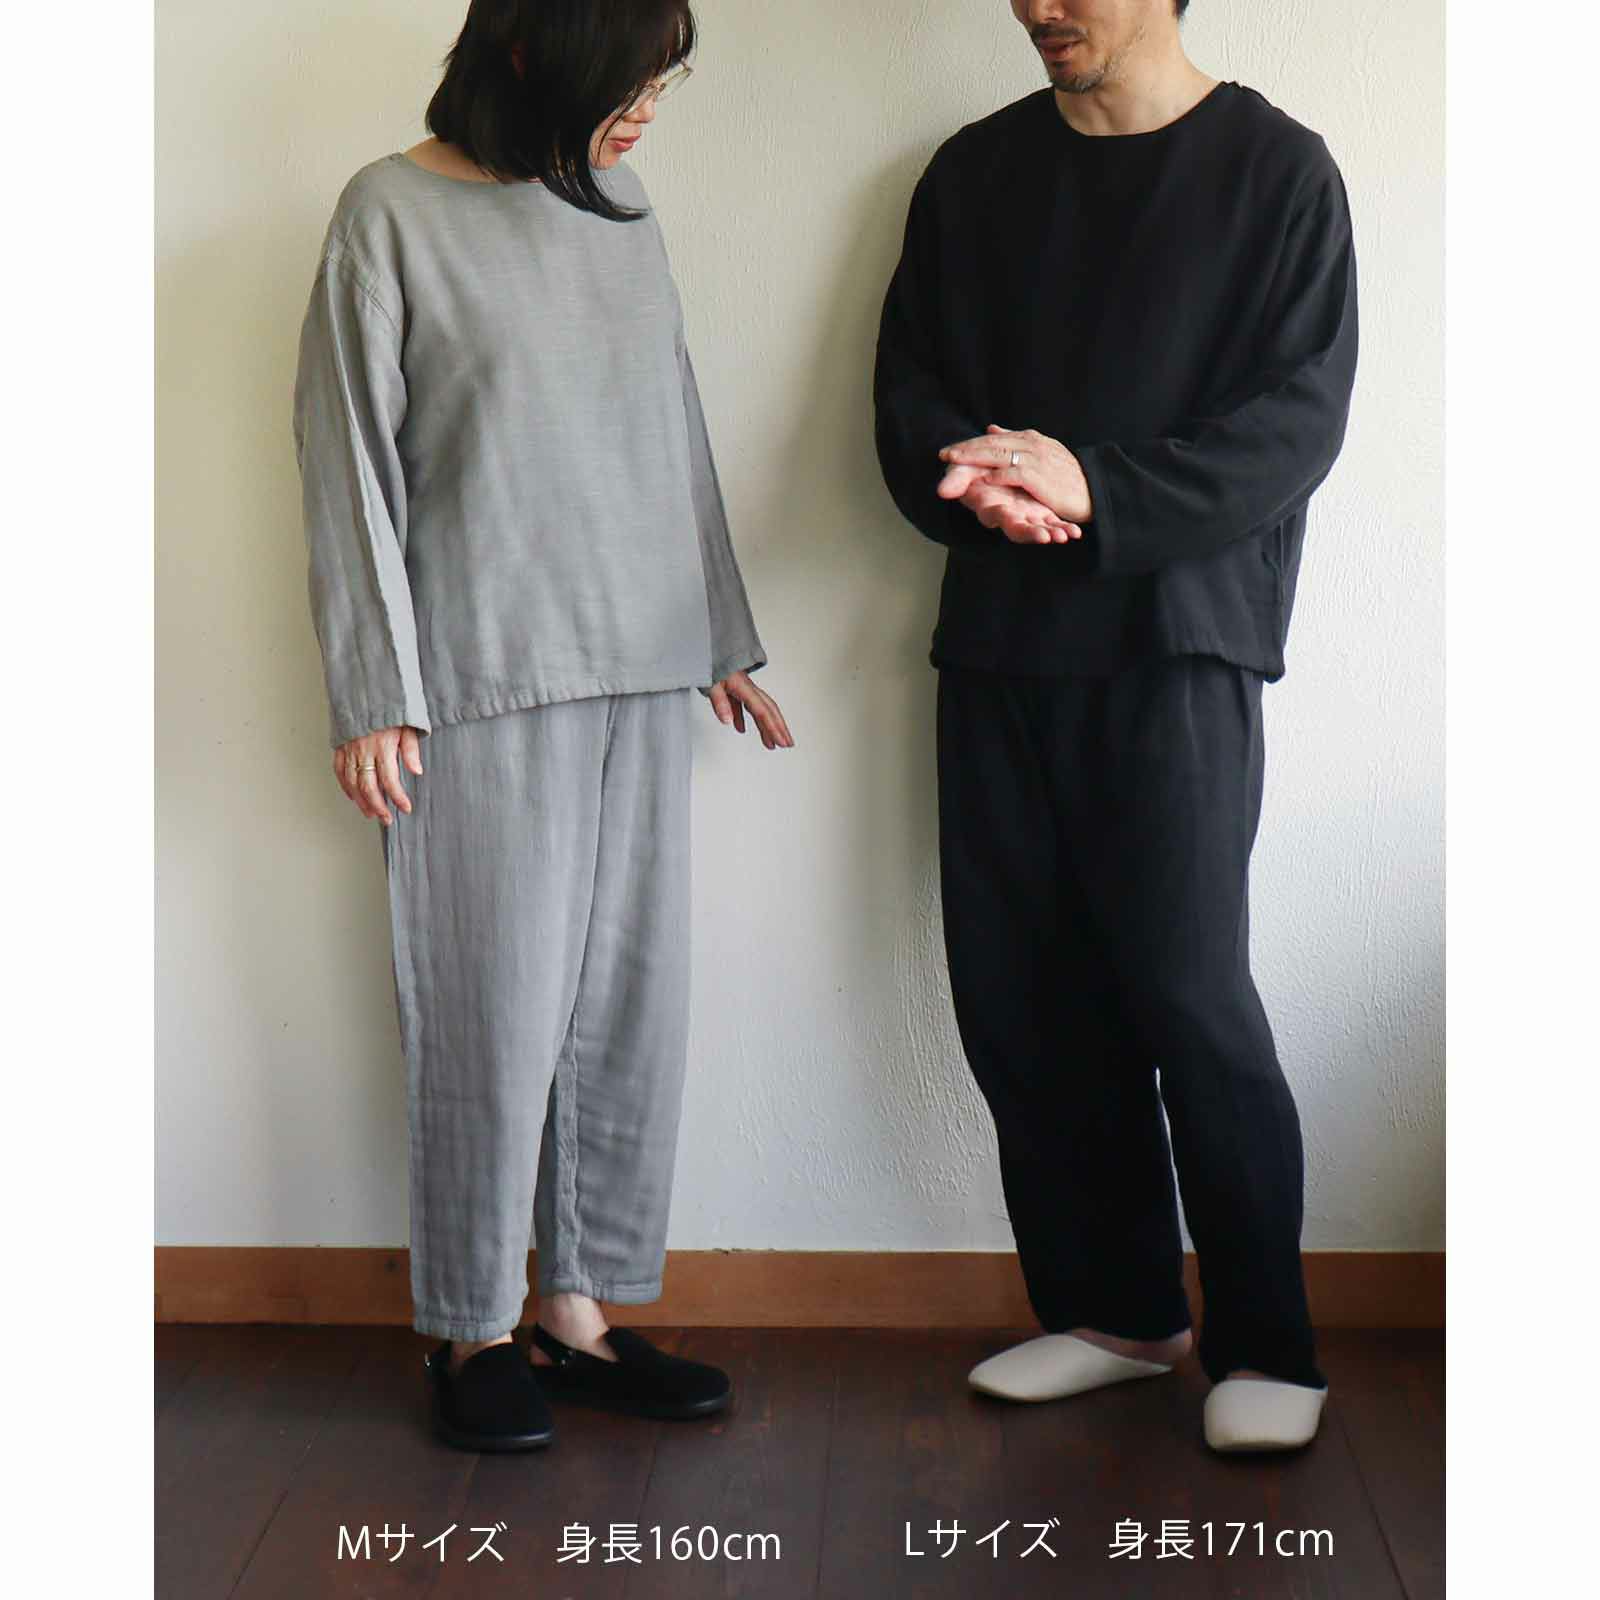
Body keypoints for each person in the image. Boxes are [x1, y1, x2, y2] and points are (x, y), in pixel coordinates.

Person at [292, 0, 792, 1454]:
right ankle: (468, 1327)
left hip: (642, 665)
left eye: (663, 83)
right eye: (628, 81)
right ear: (526, 55)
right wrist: (374, 688)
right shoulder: (388, 213)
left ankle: (574, 1316)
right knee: (490, 1012)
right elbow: (346, 457)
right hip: (480, 679)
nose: (647, 110)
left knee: (626, 1006)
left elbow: (670, 426)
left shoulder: (622, 213)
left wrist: (718, 634)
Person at [873, 0, 1357, 1453]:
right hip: (999, 638)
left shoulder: (1277, 173)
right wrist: (981, 484)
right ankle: (1118, 1315)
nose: (1040, 5)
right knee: (1020, 996)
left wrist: (1095, 487)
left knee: (1188, 993)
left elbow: (1295, 425)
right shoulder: (974, 172)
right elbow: (910, 389)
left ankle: (1268, 1345)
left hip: (1180, 642)